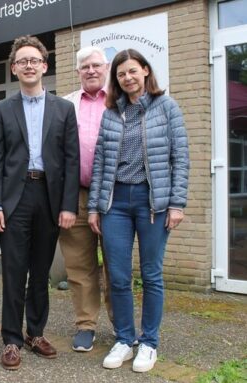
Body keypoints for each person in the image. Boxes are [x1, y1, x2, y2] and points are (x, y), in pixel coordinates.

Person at [88, 49, 189, 373]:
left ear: (145, 71)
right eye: (120, 74)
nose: (127, 78)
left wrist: (176, 203)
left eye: (132, 71)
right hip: (115, 203)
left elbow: (180, 159)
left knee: (151, 274)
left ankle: (149, 343)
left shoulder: (167, 107)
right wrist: (94, 207)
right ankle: (125, 339)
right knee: (117, 276)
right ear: (115, 80)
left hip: (152, 203)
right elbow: (100, 163)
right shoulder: (111, 113)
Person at [0, 35, 80, 370]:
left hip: (49, 198)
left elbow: (72, 160)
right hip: (14, 198)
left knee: (40, 272)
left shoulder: (64, 109)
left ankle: (35, 333)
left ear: (44, 65)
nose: (28, 65)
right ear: (14, 68)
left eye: (34, 60)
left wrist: (69, 206)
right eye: (22, 61)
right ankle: (11, 339)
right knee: (14, 271)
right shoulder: (0, 109)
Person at [59, 46, 113, 352]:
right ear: (78, 71)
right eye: (84, 67)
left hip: (112, 196)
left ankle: (121, 325)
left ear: (105, 67)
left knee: (115, 265)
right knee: (80, 267)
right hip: (75, 195)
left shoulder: (119, 102)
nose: (90, 71)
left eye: (96, 65)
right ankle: (86, 325)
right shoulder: (67, 104)